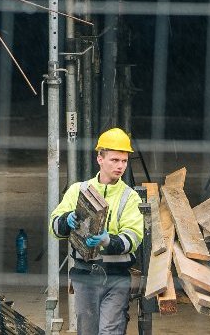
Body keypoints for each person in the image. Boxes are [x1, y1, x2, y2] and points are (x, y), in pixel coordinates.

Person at [49, 127, 146, 335]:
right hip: (85, 276)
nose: (120, 166)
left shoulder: (129, 197)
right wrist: (68, 220)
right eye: (114, 160)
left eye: (124, 161)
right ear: (99, 158)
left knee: (110, 330)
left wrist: (107, 241)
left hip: (116, 277)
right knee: (87, 331)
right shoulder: (78, 190)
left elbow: (134, 237)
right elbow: (54, 227)